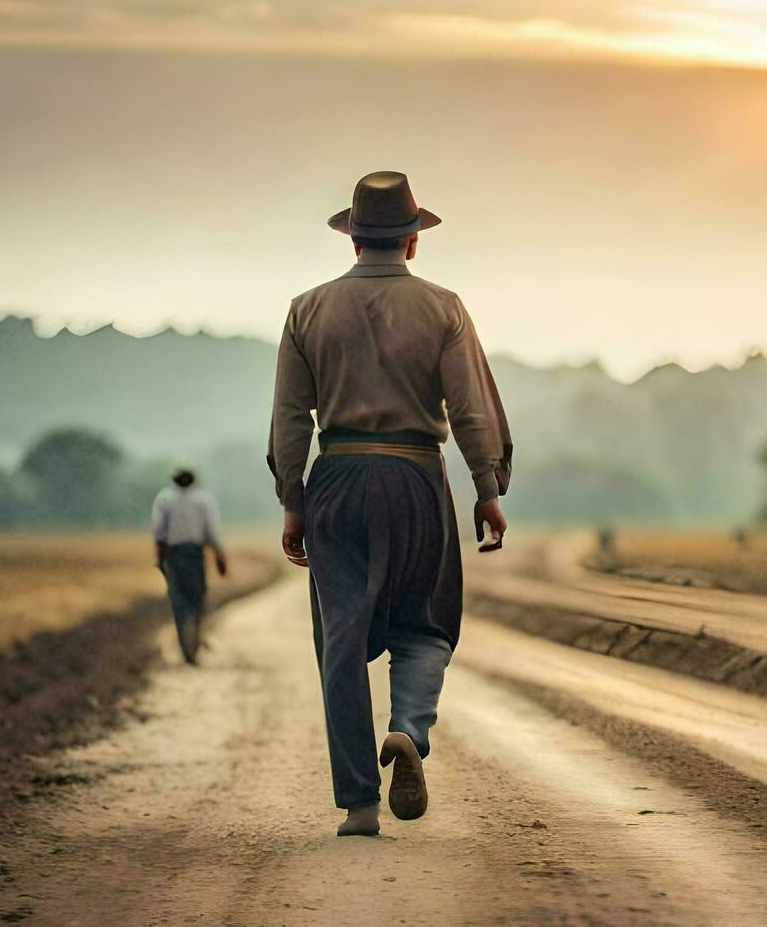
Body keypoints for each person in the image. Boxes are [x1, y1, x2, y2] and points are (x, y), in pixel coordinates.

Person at [267, 170, 512, 838]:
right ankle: (406, 728)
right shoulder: (444, 308)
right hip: (415, 477)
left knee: (341, 643)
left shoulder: (306, 309)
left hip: (337, 479)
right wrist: (487, 489)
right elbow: (468, 408)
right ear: (411, 242)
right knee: (426, 621)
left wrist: (294, 502)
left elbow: (291, 417)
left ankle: (359, 804)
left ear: (352, 240)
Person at [151, 468, 229, 665]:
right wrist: (219, 556)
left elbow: (159, 532)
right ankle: (193, 642)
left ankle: (186, 648)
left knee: (179, 600)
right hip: (194, 553)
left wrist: (160, 559)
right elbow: (211, 530)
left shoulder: (164, 498)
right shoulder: (203, 499)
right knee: (197, 597)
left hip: (174, 554)